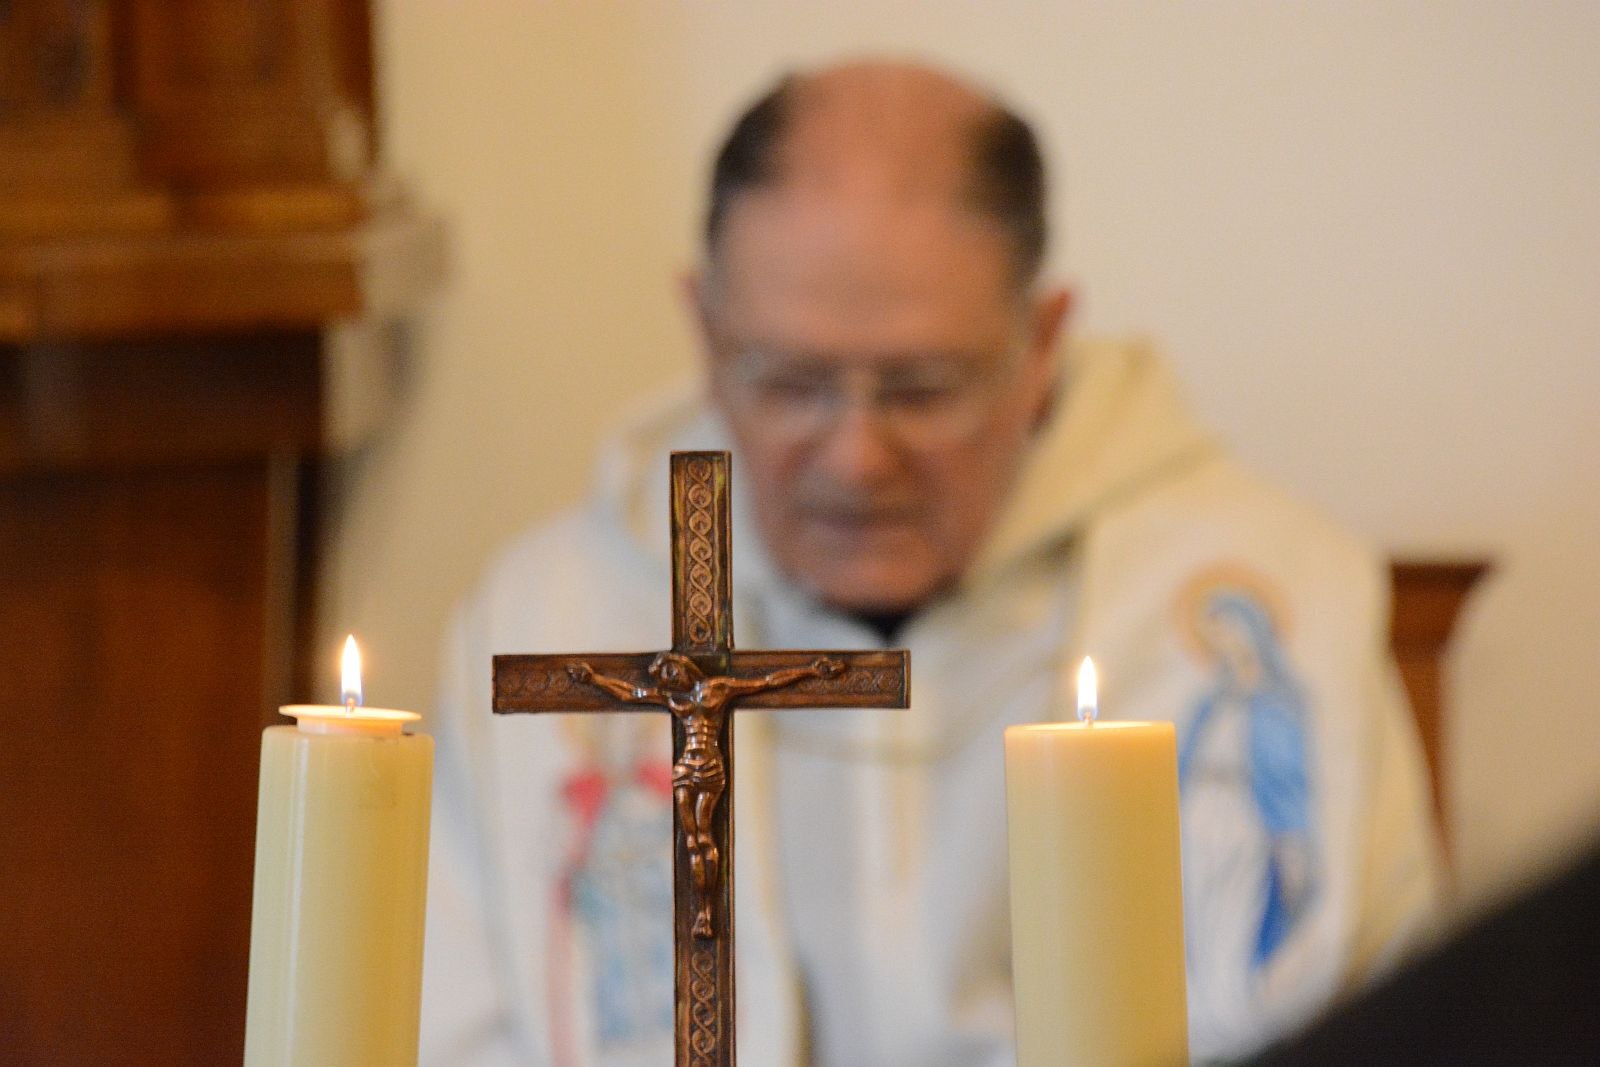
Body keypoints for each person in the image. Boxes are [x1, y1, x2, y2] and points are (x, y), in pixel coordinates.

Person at [420, 60, 1440, 1066]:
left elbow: (1376, 1022)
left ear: (1040, 345)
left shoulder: (1263, 600)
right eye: (790, 382)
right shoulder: (554, 616)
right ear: (705, 333)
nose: (856, 457)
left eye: (922, 388)